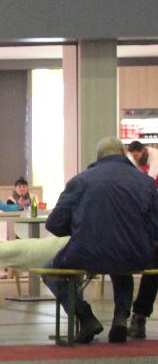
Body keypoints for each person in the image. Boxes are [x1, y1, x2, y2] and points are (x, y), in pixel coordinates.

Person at [43, 137, 158, 343]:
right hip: (135, 254)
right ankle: (121, 319)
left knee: (50, 272)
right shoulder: (146, 182)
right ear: (124, 154)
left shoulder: (80, 181)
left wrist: (79, 231)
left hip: (86, 252)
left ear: (97, 157)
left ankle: (86, 317)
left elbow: (54, 223)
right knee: (122, 264)